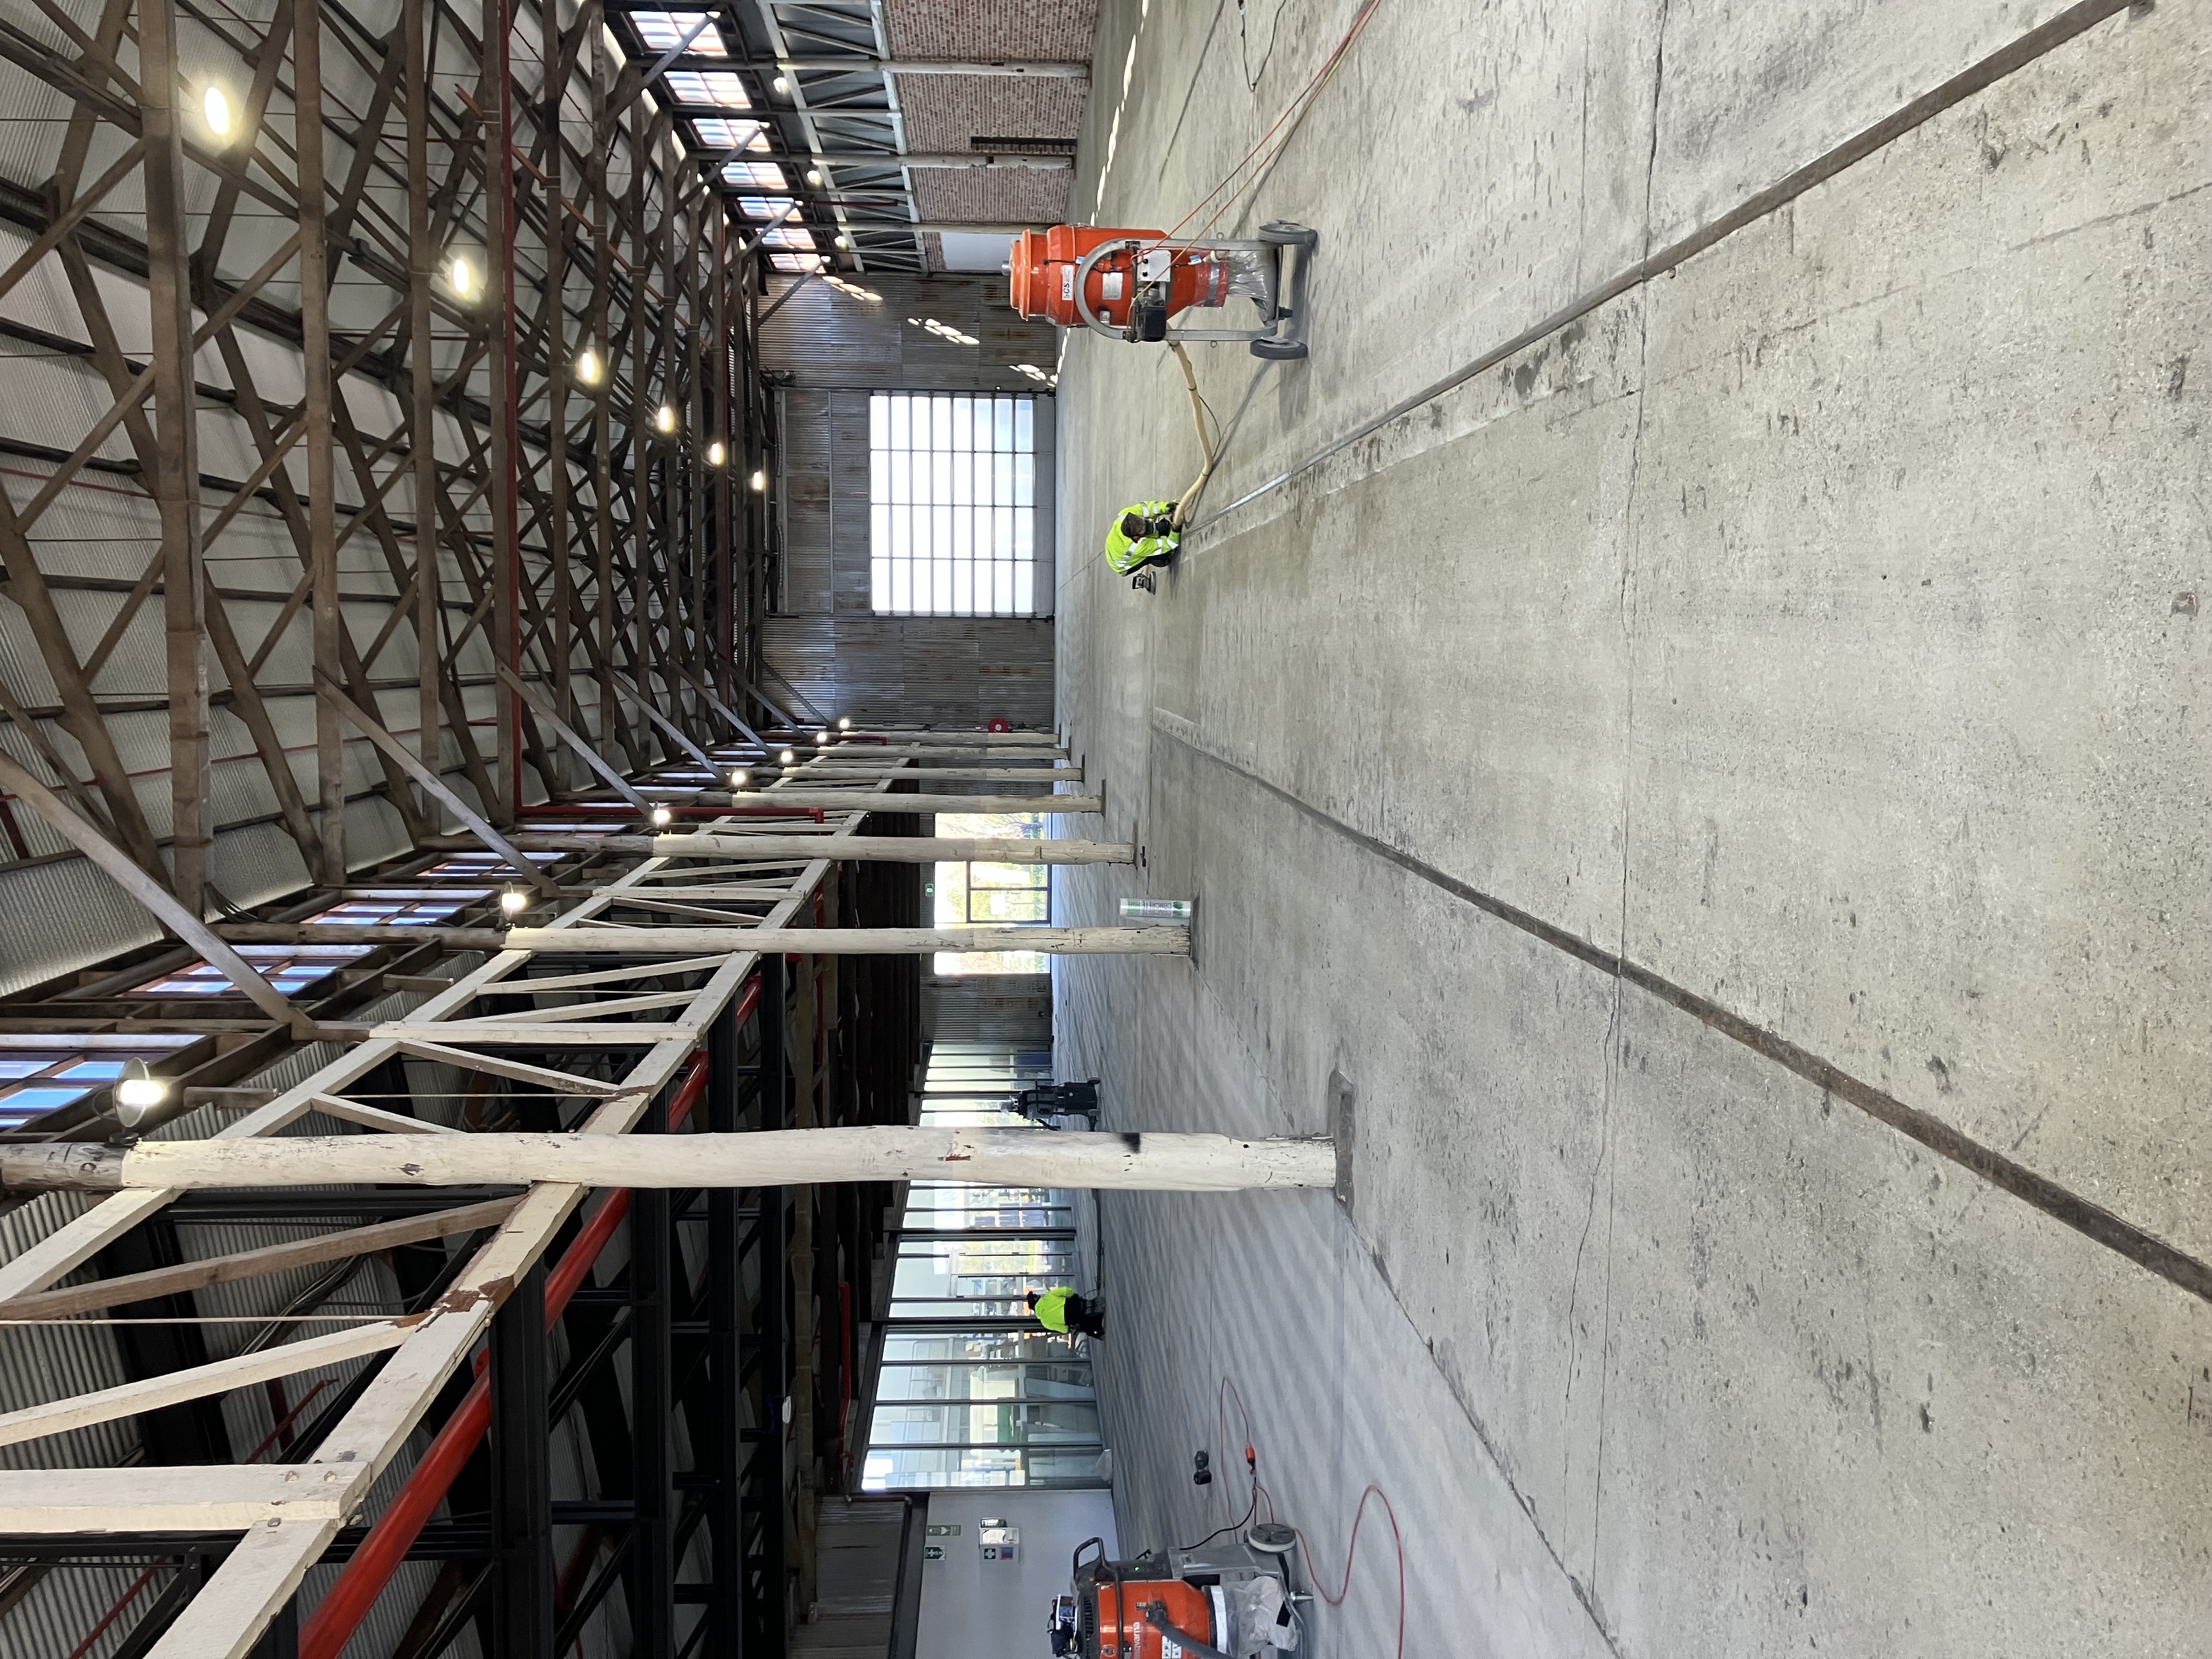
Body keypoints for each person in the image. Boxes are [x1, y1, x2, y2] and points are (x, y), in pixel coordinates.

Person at [1104, 500, 1178, 592]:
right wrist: (1176, 531)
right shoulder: (1136, 547)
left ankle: (1159, 532)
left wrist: (1166, 507)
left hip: (1112, 546)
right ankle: (1161, 558)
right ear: (1135, 538)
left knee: (1162, 527)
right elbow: (1170, 544)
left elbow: (1147, 508)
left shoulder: (1126, 516)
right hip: (1120, 565)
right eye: (1144, 533)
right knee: (1159, 556)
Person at [1027, 1285, 1105, 1340]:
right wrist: (1073, 1295)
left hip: (1073, 1318)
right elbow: (1065, 1290)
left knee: (1083, 1324)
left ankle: (1099, 1331)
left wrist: (1068, 1328)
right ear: (1038, 1298)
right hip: (1075, 1304)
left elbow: (1064, 1330)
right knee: (1080, 1303)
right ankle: (1095, 1306)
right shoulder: (1049, 1296)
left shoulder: (1045, 1322)